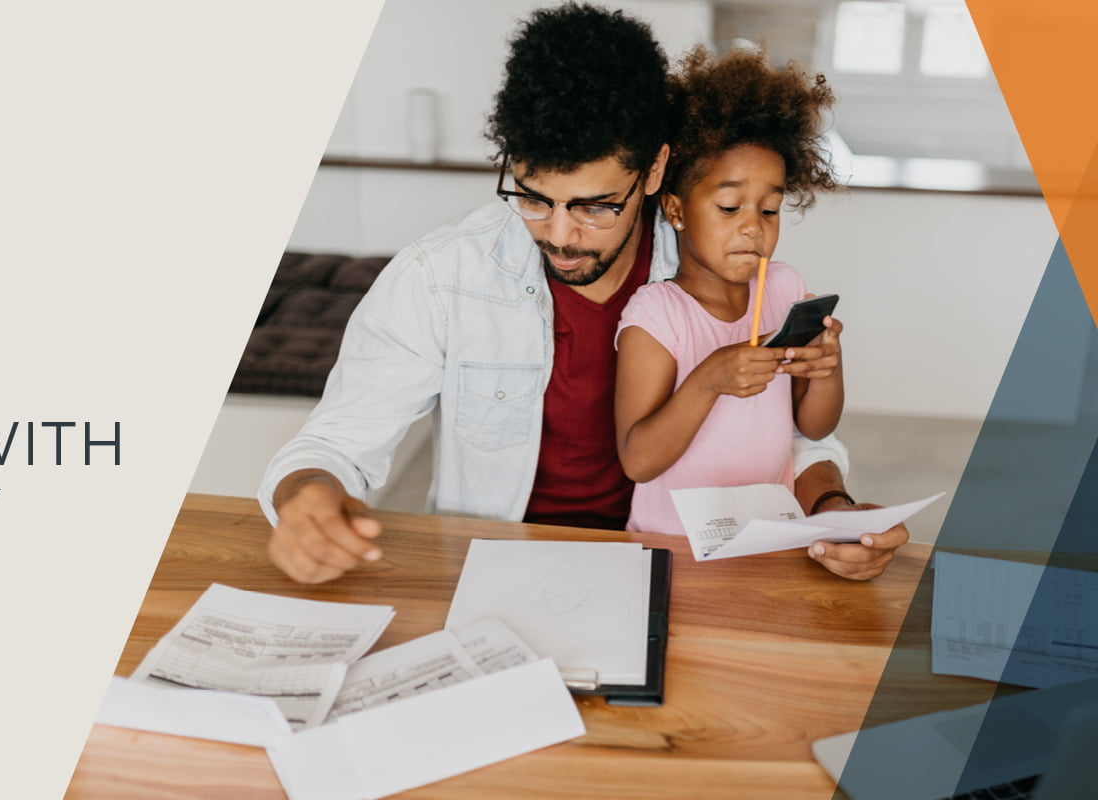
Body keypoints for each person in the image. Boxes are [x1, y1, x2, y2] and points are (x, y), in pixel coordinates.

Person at [259, 2, 906, 584]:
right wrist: (307, 497)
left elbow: (785, 430)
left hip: (680, 561)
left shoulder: (719, 266)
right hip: (499, 561)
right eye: (534, 197)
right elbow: (335, 443)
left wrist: (833, 510)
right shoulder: (442, 275)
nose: (561, 234)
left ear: (654, 171)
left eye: (595, 206)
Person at [616, 46, 844, 537]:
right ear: (676, 211)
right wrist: (707, 380)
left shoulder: (785, 287)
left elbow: (815, 427)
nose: (752, 228)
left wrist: (828, 367)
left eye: (768, 210)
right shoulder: (656, 314)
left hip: (766, 530)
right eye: (728, 207)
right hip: (672, 540)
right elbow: (638, 460)